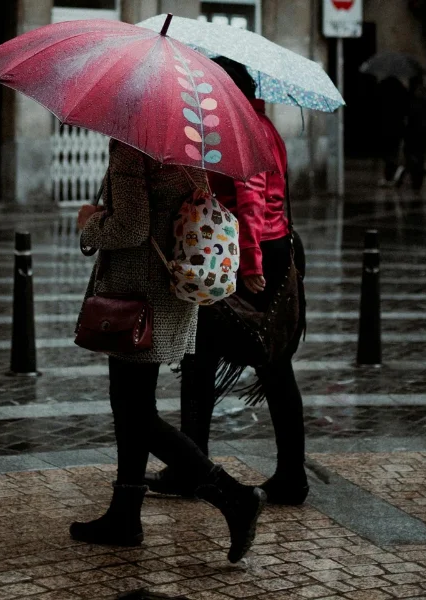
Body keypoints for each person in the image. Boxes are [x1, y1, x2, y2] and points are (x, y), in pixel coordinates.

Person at [72, 139, 266, 564]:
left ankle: (232, 495)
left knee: (133, 410)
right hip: (171, 291)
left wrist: (89, 225)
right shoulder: (183, 145)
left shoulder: (129, 147)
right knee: (133, 405)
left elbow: (132, 227)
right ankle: (125, 514)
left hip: (137, 296)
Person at [145, 56, 309, 506]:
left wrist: (251, 263)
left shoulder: (243, 128)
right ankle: (279, 473)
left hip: (246, 254)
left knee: (232, 361)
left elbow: (253, 199)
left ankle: (198, 470)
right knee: (248, 363)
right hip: (260, 249)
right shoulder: (262, 125)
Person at [376, 76, 410, 186]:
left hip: (387, 126)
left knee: (388, 153)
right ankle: (392, 175)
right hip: (397, 126)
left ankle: (389, 176)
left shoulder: (384, 89)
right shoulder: (403, 92)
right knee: (394, 152)